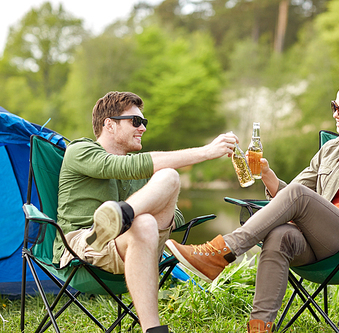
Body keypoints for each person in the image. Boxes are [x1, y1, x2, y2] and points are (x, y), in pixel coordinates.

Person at [166, 77, 339, 333]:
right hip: (320, 243)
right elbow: (291, 197)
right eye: (334, 106)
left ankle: (221, 251)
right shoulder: (330, 150)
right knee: (280, 234)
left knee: (298, 198)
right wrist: (268, 176)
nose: (335, 114)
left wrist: (322, 215)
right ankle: (260, 327)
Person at [53, 91, 238, 333]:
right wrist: (205, 152)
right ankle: (117, 221)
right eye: (136, 121)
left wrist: (145, 209)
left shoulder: (138, 173)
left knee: (164, 188)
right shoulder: (80, 150)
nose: (143, 128)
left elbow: (177, 215)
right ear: (109, 124)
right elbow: (119, 166)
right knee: (150, 213)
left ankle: (122, 215)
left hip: (130, 243)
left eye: (144, 122)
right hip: (84, 243)